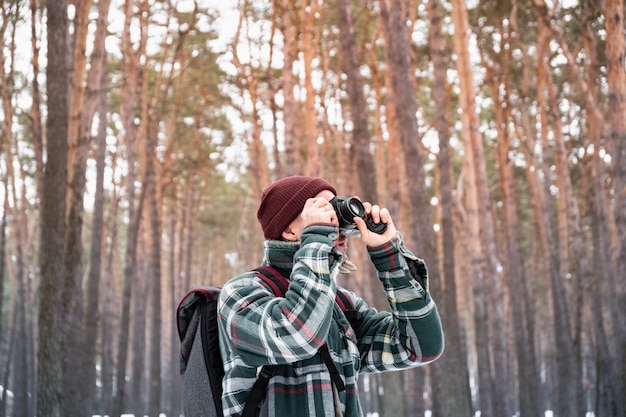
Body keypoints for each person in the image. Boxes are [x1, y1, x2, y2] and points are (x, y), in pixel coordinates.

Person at [217, 176, 444, 417]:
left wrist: (390, 257)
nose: (335, 224)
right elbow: (298, 336)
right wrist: (316, 240)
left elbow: (420, 347)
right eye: (323, 211)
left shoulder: (341, 305)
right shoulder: (242, 292)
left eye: (335, 211)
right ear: (289, 230)